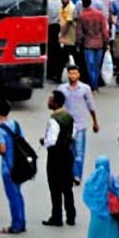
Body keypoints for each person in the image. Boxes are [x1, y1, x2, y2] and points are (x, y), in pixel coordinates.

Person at [0, 99, 26, 234]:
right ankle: (22, 222)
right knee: (18, 195)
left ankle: (15, 225)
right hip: (19, 166)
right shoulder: (15, 124)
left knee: (12, 197)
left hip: (8, 168)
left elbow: (2, 149)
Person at [58, 64, 99, 185]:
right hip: (66, 125)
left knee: (79, 153)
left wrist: (95, 122)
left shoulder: (85, 89)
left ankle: (77, 176)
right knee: (68, 152)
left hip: (80, 125)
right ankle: (69, 174)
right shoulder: (61, 89)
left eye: (75, 73)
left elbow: (91, 106)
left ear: (79, 75)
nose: (72, 76)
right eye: (70, 73)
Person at [41, 90, 77, 226]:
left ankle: (57, 216)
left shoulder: (54, 119)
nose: (48, 102)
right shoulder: (69, 116)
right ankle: (71, 215)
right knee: (67, 186)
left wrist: (43, 142)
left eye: (50, 99)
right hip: (67, 154)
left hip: (56, 156)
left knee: (55, 186)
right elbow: (73, 133)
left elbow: (51, 140)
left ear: (55, 102)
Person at [77, 0, 110, 89]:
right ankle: (95, 85)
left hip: (88, 43)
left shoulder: (82, 16)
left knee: (90, 66)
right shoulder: (100, 15)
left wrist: (79, 43)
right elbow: (104, 30)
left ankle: (93, 86)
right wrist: (106, 42)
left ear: (83, 4)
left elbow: (79, 32)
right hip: (99, 43)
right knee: (97, 66)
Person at [58, 0, 77, 71]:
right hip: (66, 36)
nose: (63, 0)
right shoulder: (63, 7)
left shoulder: (71, 8)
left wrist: (61, 35)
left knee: (67, 55)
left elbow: (68, 23)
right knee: (65, 56)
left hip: (70, 36)